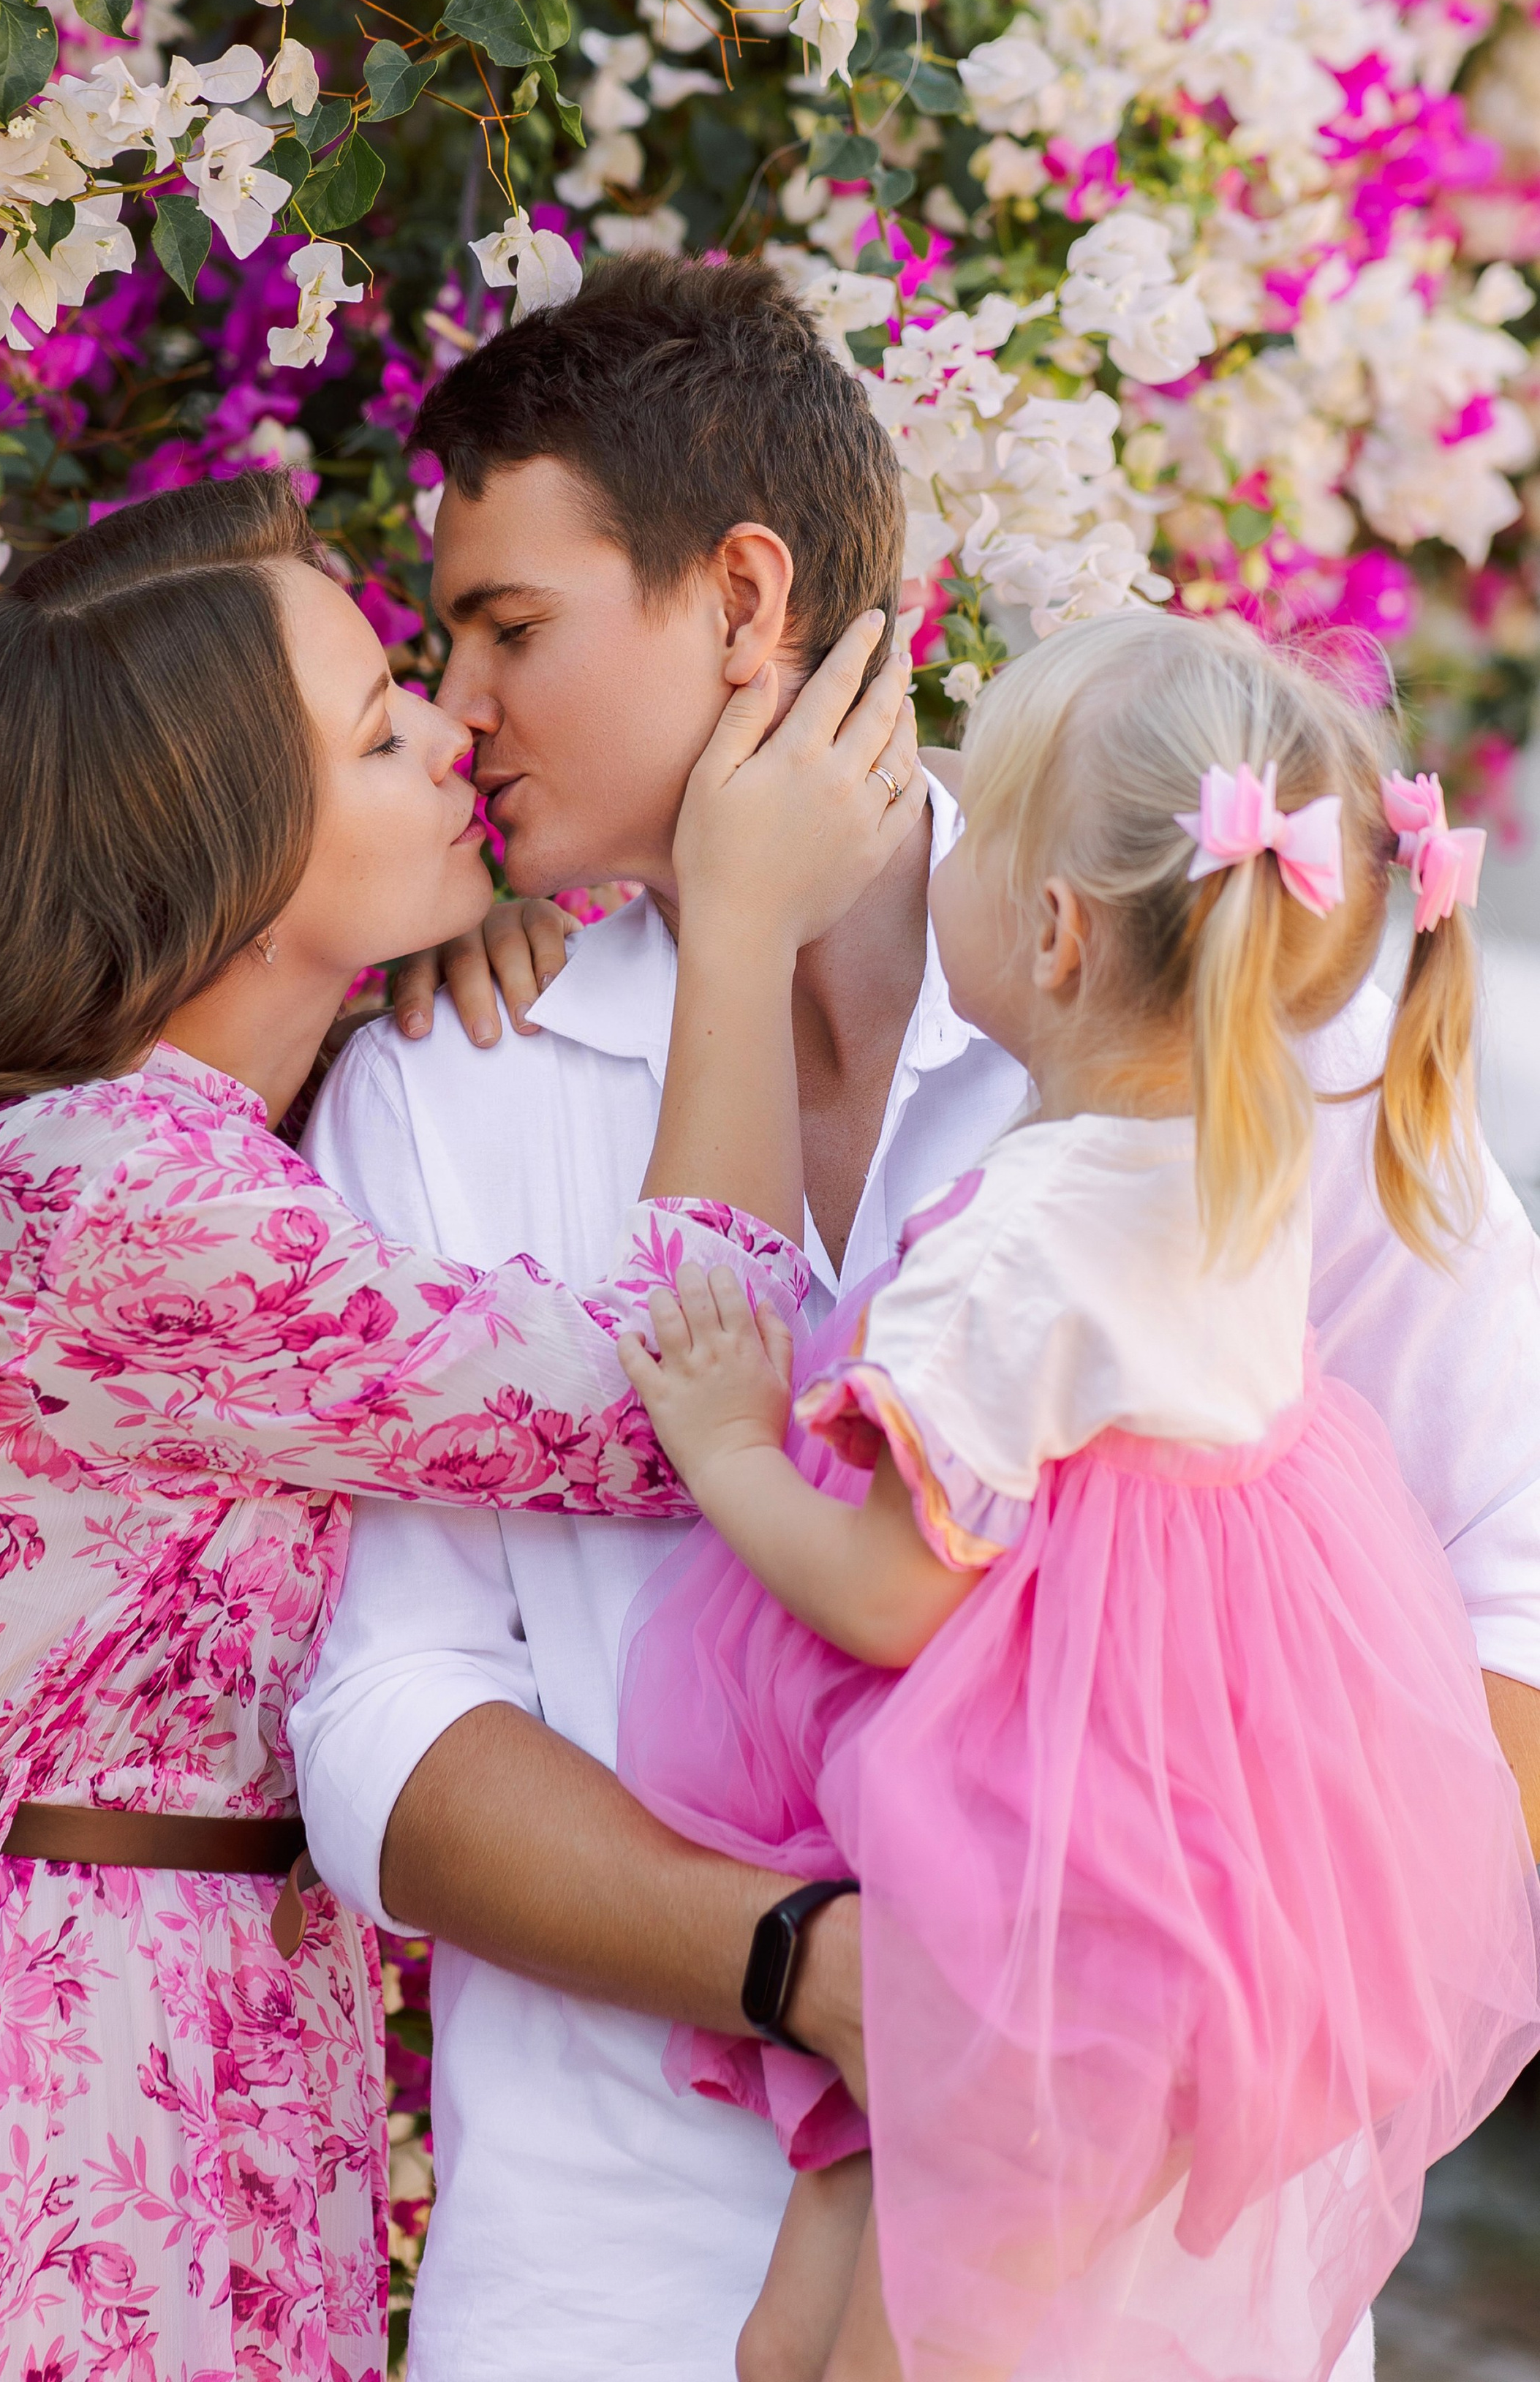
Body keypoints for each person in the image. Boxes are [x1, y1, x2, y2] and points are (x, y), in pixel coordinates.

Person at [288, 254, 1540, 2382]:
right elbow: (379, 1724)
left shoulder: (1251, 1035)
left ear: (747, 597)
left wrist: (1176, 2059)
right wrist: (825, 1972)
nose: (463, 706)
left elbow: (1507, 1598)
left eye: (512, 629)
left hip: (1145, 2282)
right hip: (603, 2278)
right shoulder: (444, 1086)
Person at [0, 471, 918, 2382]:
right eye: (379, 727)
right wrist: (734, 940)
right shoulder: (116, 1195)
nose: (456, 730)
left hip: (143, 2059)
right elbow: (667, 1403)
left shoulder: (141, 1153)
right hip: (33, 2111)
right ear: (227, 855)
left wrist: (446, 943)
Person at [616, 608, 1540, 2382]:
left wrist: (727, 1445)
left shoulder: (1021, 1249)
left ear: (1045, 930)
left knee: (902, 2354)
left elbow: (895, 1596)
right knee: (793, 2344)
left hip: (1044, 1873)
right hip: (1187, 1840)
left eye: (973, 834)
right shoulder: (1234, 1165)